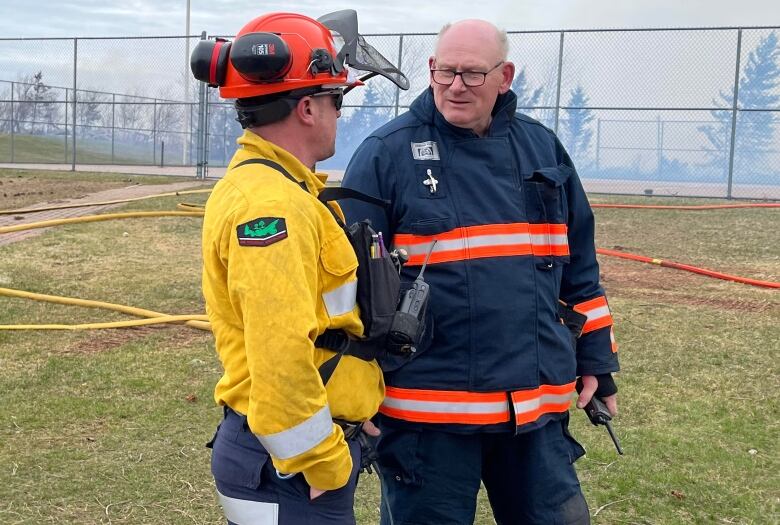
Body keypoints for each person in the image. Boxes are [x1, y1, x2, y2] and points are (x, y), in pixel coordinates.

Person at [340, 19, 620, 525]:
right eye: (444, 72)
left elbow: (579, 268)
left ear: (504, 76)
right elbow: (346, 290)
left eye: (471, 74)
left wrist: (597, 360)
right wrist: (349, 399)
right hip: (430, 420)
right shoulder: (387, 154)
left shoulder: (543, 150)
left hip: (535, 411)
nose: (455, 86)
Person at [194, 10, 408, 525]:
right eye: (338, 99)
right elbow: (280, 356)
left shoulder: (284, 192)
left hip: (294, 460)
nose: (341, 114)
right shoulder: (273, 208)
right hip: (291, 472)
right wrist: (325, 461)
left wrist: (351, 411)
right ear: (309, 107)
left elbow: (319, 331)